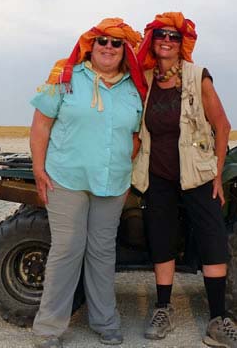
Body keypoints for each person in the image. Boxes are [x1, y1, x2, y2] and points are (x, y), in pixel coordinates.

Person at [132, 12, 237, 348]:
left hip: (197, 173)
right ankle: (163, 309)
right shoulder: (148, 79)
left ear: (182, 43)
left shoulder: (198, 76)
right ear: (152, 42)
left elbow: (222, 125)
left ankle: (217, 320)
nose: (166, 41)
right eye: (160, 36)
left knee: (212, 239)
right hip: (158, 174)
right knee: (162, 239)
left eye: (173, 36)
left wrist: (217, 171)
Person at [30, 18, 146, 348]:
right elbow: (40, 126)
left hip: (112, 182)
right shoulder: (65, 78)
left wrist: (126, 164)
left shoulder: (134, 88)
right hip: (66, 178)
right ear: (90, 46)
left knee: (102, 251)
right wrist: (39, 169)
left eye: (116, 43)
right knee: (67, 248)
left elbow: (136, 135)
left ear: (125, 50)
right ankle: (49, 328)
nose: (108, 47)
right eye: (102, 42)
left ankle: (104, 321)